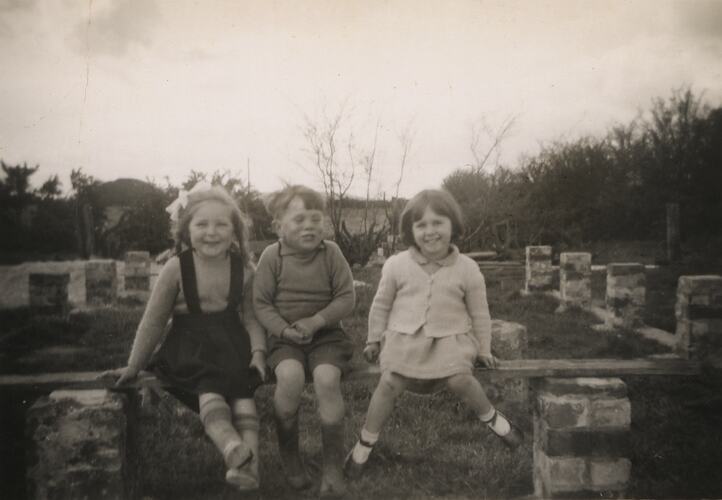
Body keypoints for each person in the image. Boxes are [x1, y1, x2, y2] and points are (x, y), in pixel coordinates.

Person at [345, 189, 523, 478]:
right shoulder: (396, 265)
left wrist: (484, 349)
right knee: (389, 382)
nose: (430, 232)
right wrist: (373, 339)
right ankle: (365, 443)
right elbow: (380, 305)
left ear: (452, 225)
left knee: (461, 379)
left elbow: (480, 312)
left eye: (438, 222)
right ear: (410, 231)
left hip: (450, 340)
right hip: (404, 340)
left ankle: (495, 422)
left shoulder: (468, 268)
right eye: (421, 225)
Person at [113, 184, 267, 492]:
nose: (212, 232)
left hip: (232, 345)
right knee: (209, 392)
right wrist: (134, 365)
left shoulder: (245, 270)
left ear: (235, 231)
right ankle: (231, 447)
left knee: (244, 399)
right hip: (190, 347)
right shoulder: (176, 268)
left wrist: (259, 353)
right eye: (202, 224)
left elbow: (251, 317)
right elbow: (154, 321)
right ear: (186, 232)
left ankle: (252, 468)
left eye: (221, 224)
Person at [253, 185, 355, 498]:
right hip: (286, 338)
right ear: (277, 226)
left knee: (326, 379)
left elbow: (346, 297)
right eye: (299, 220)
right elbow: (261, 303)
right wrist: (283, 331)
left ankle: (332, 467)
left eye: (315, 219)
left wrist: (316, 320)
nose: (309, 226)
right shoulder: (272, 256)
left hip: (326, 335)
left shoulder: (331, 253)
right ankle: (291, 457)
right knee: (290, 376)